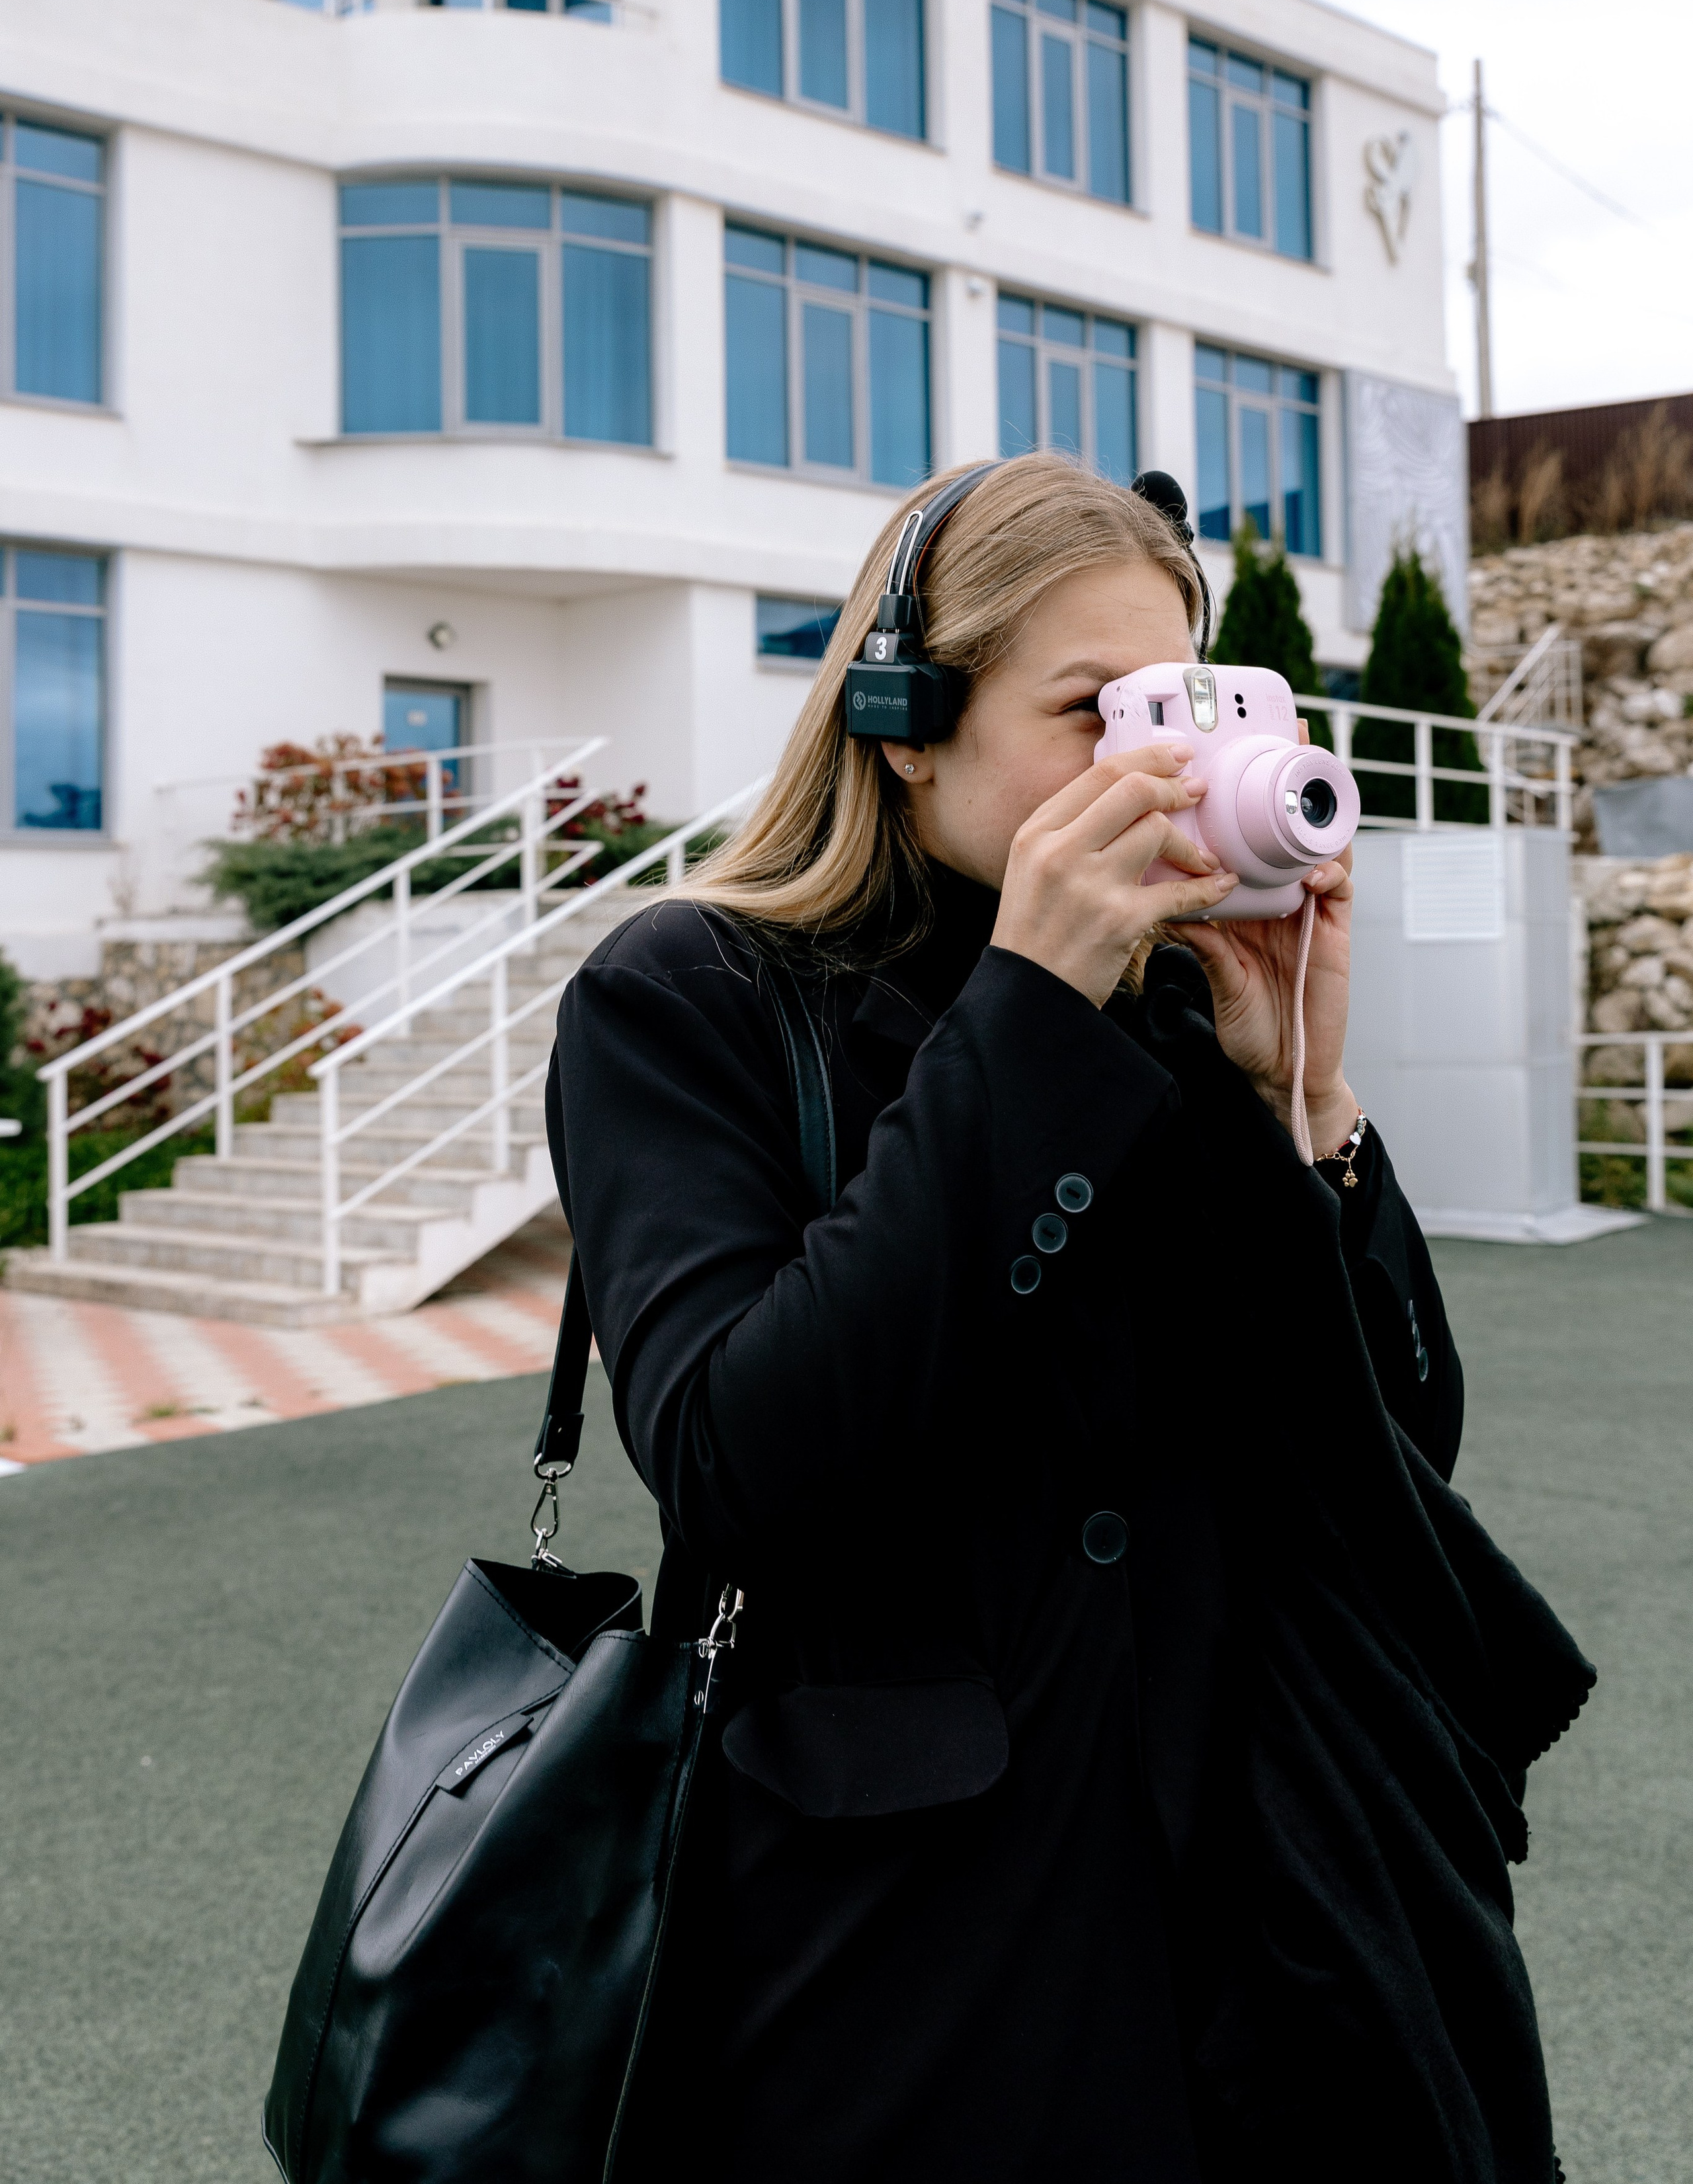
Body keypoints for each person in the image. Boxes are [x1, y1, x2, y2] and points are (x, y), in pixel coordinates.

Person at [547, 454, 1592, 2183]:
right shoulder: (690, 998)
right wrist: (1031, 1008)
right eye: (1093, 709)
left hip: (1279, 1925)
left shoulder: (1180, 1005)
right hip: (906, 1969)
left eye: (1178, 703)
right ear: (905, 723)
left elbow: (1401, 1448)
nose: (1153, 761)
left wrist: (1303, 1104)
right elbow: (739, 1462)